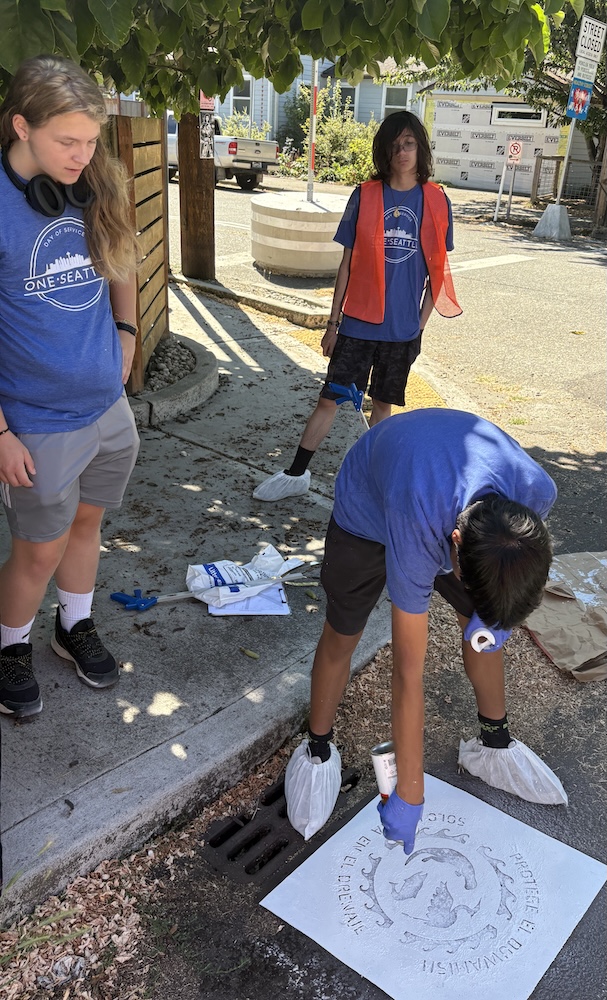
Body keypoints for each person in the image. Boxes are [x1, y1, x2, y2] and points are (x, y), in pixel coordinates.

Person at [284, 408, 559, 851]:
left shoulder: (535, 494)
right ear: (453, 548)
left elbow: (514, 580)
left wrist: (495, 621)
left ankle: (495, 741)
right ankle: (317, 748)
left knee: (481, 623)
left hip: (444, 492)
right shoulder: (417, 530)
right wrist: (411, 791)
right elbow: (407, 673)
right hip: (369, 509)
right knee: (344, 629)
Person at [0, 55, 140, 718]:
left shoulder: (94, 181)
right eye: (67, 142)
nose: (82, 156)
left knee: (88, 524)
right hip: (39, 420)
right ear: (21, 125)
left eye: (90, 141)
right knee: (37, 551)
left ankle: (72, 625)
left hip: (107, 410)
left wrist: (126, 331)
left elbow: (122, 257)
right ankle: (10, 646)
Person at [253, 110, 461, 503]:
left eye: (409, 143)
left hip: (402, 332)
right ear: (384, 150)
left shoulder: (436, 201)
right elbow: (346, 263)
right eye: (395, 144)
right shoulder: (365, 195)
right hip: (358, 325)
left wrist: (419, 325)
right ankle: (296, 473)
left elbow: (438, 270)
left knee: (382, 408)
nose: (402, 152)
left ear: (420, 148)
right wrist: (333, 322)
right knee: (329, 398)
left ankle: (373, 485)